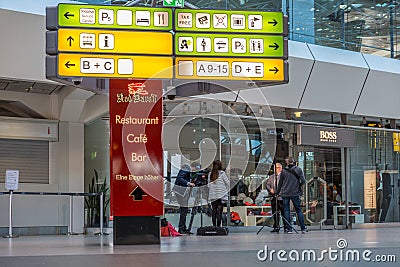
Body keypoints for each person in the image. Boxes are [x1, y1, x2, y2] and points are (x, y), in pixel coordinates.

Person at [277, 156, 308, 234]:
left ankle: (288, 229)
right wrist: (298, 185)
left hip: (285, 193)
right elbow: (303, 181)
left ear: (287, 162)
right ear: (293, 162)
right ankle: (303, 228)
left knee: (286, 210)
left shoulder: (283, 171)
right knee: (298, 210)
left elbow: (280, 183)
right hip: (295, 192)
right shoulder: (298, 169)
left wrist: (277, 192)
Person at [174, 163, 195, 234]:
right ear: (193, 167)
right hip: (180, 192)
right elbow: (180, 178)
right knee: (184, 211)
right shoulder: (186, 168)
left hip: (181, 192)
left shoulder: (187, 170)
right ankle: (181, 228)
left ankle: (183, 227)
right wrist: (189, 183)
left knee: (184, 210)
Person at [208, 160, 230, 227]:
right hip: (220, 196)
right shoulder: (222, 173)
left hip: (213, 196)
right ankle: (218, 227)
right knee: (219, 212)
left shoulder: (210, 174)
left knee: (214, 211)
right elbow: (228, 183)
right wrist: (225, 190)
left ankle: (214, 226)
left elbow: (208, 185)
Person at [265, 163, 285, 233]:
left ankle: (286, 227)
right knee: (275, 212)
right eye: (275, 168)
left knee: (283, 213)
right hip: (274, 198)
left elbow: (285, 186)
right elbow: (267, 184)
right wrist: (270, 189)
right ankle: (276, 226)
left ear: (280, 168)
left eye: (277, 168)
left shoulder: (284, 176)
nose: (275, 169)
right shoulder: (271, 177)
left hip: (281, 198)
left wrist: (279, 191)